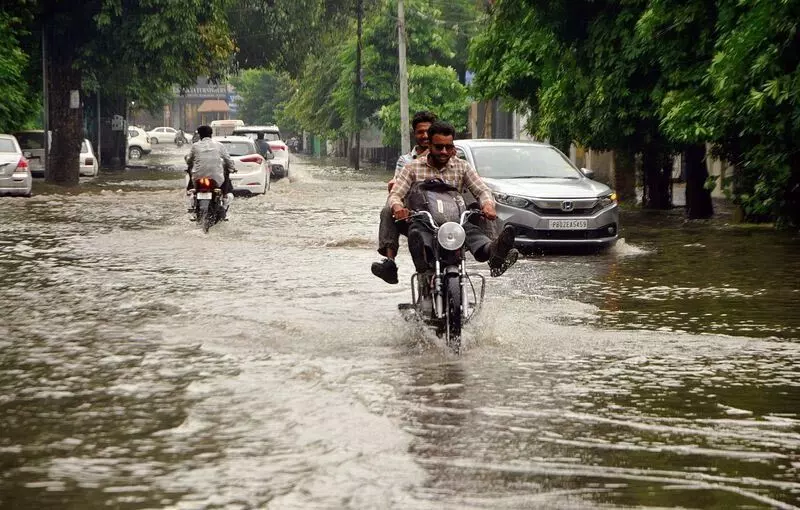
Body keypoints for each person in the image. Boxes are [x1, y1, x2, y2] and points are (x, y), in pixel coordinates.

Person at [373, 120, 518, 283]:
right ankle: (409, 258)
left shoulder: (462, 167)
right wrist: (398, 206)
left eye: (448, 147)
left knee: (473, 226)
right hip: (424, 222)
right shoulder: (412, 168)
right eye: (439, 147)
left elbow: (482, 190)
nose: (444, 151)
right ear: (430, 146)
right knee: (410, 227)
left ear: (453, 147)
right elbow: (395, 194)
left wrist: (488, 205)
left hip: (456, 222)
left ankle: (494, 251)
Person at [371, 111, 438, 283]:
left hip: (443, 213)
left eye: (428, 132)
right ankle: (390, 263)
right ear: (414, 134)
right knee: (388, 209)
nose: (424, 136)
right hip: (414, 214)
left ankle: (492, 252)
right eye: (420, 132)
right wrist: (398, 201)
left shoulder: (445, 154)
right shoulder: (406, 161)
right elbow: (397, 185)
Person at [186, 125, 235, 218]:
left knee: (192, 190)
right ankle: (224, 202)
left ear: (199, 135)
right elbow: (228, 160)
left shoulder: (195, 146)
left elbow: (189, 160)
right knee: (227, 187)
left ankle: (193, 206)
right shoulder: (219, 145)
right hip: (216, 179)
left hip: (198, 178)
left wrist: (189, 164)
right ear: (211, 134)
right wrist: (232, 168)